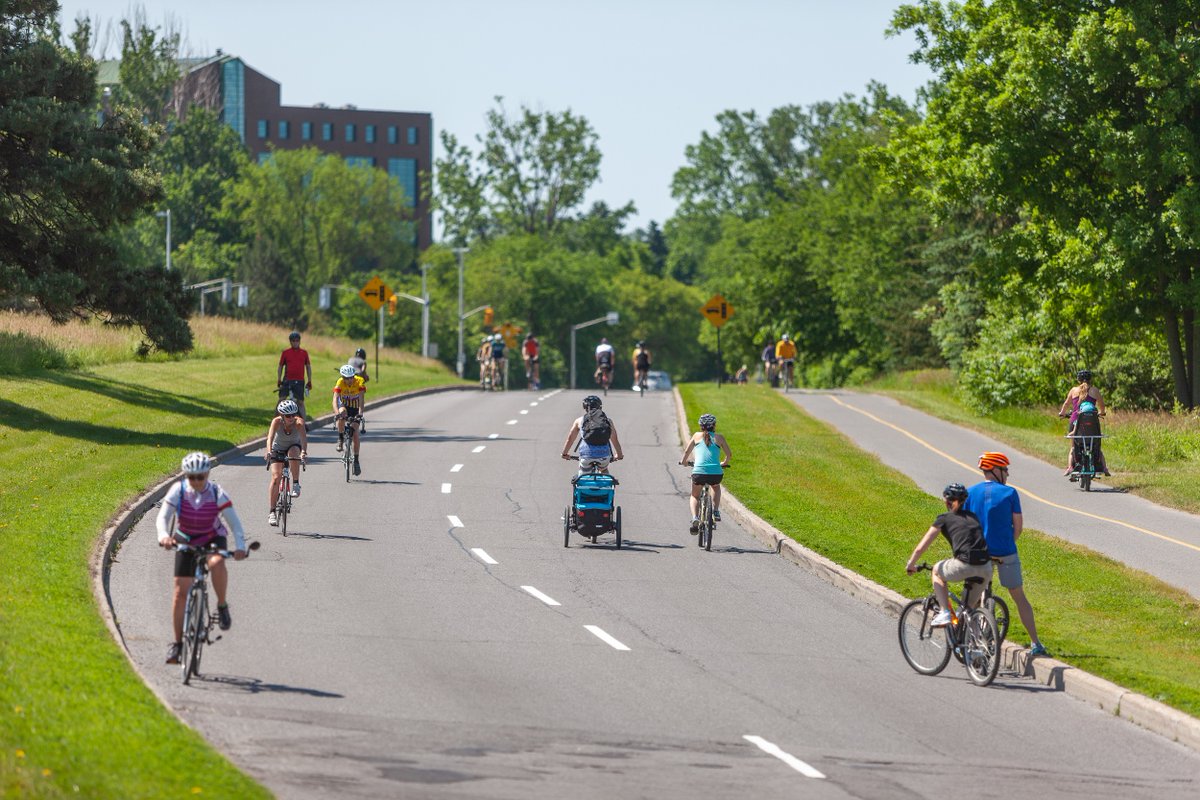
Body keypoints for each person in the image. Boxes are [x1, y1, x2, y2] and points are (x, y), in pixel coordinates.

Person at [156, 452, 248, 665]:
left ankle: (222, 605)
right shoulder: (178, 491)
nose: (196, 481)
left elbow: (234, 523)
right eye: (192, 477)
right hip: (186, 538)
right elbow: (163, 517)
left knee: (216, 562)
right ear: (186, 476)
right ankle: (178, 645)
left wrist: (241, 547)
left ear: (207, 474)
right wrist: (164, 536)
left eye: (200, 477)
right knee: (180, 592)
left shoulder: (217, 493)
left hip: (211, 536)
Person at [966, 452, 1048, 656]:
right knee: (1019, 597)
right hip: (1005, 552)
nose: (1008, 474)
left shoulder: (969, 493)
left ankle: (975, 639)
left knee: (972, 599)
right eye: (1005, 470)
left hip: (978, 553)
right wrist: (1006, 543)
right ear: (996, 470)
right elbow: (1018, 527)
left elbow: (964, 526)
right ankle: (1035, 643)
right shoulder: (1010, 494)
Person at [905, 483, 993, 626]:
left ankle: (944, 611)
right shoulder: (973, 517)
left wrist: (911, 564)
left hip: (965, 564)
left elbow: (921, 547)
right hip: (986, 567)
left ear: (946, 500)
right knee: (966, 611)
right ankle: (975, 645)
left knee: (936, 571)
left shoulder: (944, 518)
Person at [679, 414, 732, 533]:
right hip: (716, 473)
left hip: (699, 472)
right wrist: (724, 462)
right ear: (714, 426)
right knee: (716, 487)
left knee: (695, 496)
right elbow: (729, 455)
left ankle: (695, 518)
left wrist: (684, 462)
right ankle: (716, 511)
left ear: (701, 426)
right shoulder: (720, 438)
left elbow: (687, 451)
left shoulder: (697, 436)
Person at [265, 399, 308, 526]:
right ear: (282, 415)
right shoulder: (276, 422)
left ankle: (295, 483)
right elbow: (270, 438)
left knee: (294, 452)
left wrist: (304, 452)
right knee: (276, 477)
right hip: (277, 448)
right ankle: (272, 512)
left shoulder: (299, 423)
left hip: (293, 446)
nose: (291, 418)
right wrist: (268, 452)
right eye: (288, 416)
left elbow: (304, 440)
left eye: (293, 415)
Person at [1058, 369, 1108, 475]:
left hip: (1076, 421)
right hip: (1092, 422)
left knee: (1073, 447)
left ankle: (1070, 467)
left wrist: (1062, 413)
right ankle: (1103, 467)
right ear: (1091, 379)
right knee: (1096, 445)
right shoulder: (1095, 390)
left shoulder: (1073, 390)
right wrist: (1102, 412)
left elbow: (1066, 404)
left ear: (1078, 380)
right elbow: (1102, 405)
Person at [560, 395, 624, 473]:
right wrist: (619, 455)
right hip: (603, 456)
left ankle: (583, 479)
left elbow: (570, 439)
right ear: (600, 407)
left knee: (583, 476)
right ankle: (605, 479)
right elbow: (615, 440)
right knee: (603, 469)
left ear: (585, 407)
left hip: (586, 456)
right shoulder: (607, 421)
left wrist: (564, 453)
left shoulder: (579, 421)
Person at [333, 363, 366, 475]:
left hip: (356, 407)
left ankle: (356, 460)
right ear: (342, 377)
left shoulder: (359, 381)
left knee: (355, 433)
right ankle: (340, 438)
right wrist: (337, 413)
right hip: (344, 405)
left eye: (351, 377)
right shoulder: (340, 382)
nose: (349, 380)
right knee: (342, 415)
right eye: (347, 378)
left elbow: (361, 398)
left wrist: (360, 413)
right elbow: (335, 399)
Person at [277, 331, 312, 421]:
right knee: (282, 399)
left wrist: (309, 380)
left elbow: (308, 366)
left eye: (297, 340)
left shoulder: (304, 353)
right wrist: (279, 379)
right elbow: (280, 366)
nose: (295, 342)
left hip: (299, 380)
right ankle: (276, 420)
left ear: (299, 341)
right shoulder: (285, 352)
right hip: (287, 379)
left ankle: (303, 422)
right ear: (290, 341)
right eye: (293, 341)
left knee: (300, 402)